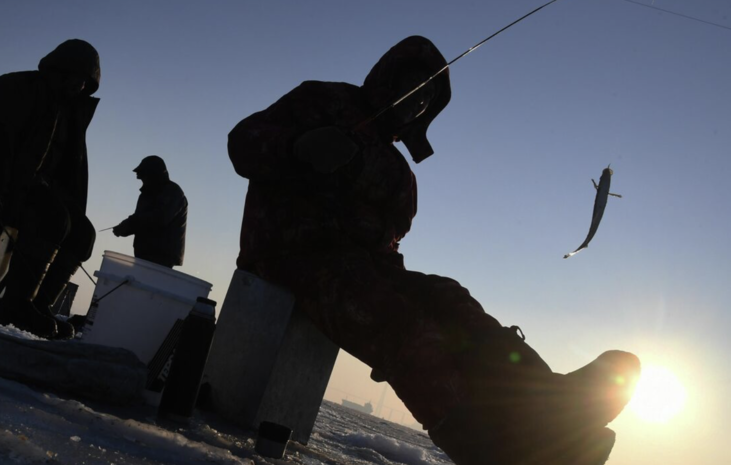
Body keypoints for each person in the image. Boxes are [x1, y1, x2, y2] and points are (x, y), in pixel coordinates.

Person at [228, 36, 640, 464]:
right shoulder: (320, 100)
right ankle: (487, 449)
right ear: (388, 77)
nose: (416, 101)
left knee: (449, 297)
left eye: (427, 100)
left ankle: (550, 404)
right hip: (287, 255)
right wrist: (299, 148)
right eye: (413, 86)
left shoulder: (399, 172)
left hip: (366, 267)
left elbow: (388, 243)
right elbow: (242, 142)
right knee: (399, 321)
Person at [0, 39, 102, 339]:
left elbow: (69, 170)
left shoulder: (71, 114)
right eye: (77, 79)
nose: (80, 87)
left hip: (37, 190)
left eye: (86, 83)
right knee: (54, 218)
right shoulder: (15, 87)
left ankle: (38, 303)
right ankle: (15, 304)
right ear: (61, 71)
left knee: (83, 234)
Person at [112, 156, 188, 268]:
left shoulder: (173, 192)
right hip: (143, 256)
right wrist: (124, 228)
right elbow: (140, 218)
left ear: (154, 175)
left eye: (144, 176)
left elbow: (159, 218)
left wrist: (129, 224)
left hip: (161, 259)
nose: (142, 180)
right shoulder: (146, 195)